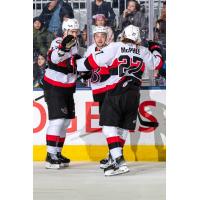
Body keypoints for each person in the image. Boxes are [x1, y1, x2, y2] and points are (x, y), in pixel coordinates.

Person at [78, 25, 163, 176]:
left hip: (116, 90)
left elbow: (95, 61)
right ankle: (114, 157)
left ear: (123, 35)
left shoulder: (116, 46)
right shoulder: (143, 51)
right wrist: (155, 49)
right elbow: (157, 64)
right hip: (134, 93)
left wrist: (75, 65)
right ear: (138, 38)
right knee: (123, 128)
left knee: (108, 127)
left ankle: (119, 161)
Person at [42, 18, 80, 169]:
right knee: (57, 120)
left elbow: (73, 63)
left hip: (67, 86)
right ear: (65, 31)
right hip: (53, 85)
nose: (74, 34)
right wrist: (63, 48)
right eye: (72, 31)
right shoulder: (57, 41)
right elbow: (54, 59)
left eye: (76, 31)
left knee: (65, 122)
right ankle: (49, 155)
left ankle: (57, 152)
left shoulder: (76, 44)